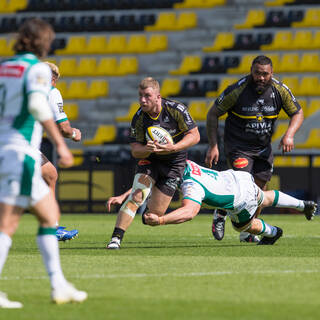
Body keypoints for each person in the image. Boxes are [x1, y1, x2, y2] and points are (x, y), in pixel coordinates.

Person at [0, 18, 87, 308]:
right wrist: (61, 144)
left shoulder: (4, 68)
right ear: (43, 43)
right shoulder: (36, 70)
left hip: (5, 150)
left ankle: (59, 285)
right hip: (19, 151)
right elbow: (38, 105)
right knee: (8, 225)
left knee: (50, 217)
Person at [205, 55, 304, 243]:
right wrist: (213, 145)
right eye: (257, 73)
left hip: (263, 148)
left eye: (265, 74)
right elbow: (213, 113)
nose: (261, 77)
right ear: (251, 71)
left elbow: (298, 112)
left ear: (271, 73)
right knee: (242, 184)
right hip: (238, 146)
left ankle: (247, 232)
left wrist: (289, 134)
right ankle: (220, 212)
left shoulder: (279, 90)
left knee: (259, 193)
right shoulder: (237, 90)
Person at [106, 77, 200, 249]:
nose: (142, 100)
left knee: (154, 216)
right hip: (150, 160)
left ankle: (148, 193)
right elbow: (135, 150)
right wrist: (147, 149)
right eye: (140, 95)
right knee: (136, 197)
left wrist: (173, 147)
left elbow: (195, 136)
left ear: (158, 96)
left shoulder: (176, 109)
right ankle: (115, 239)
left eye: (147, 96)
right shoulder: (139, 118)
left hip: (174, 164)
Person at [143, 160, 317, 245]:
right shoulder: (184, 163)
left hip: (239, 196)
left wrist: (161, 220)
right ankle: (303, 205)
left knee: (242, 227)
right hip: (237, 177)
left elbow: (189, 212)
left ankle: (273, 232)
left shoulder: (190, 186)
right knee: (265, 198)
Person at [41, 62, 81, 241]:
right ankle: (52, 227)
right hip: (19, 143)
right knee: (49, 176)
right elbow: (64, 128)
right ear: (54, 80)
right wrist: (74, 134)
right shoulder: (51, 91)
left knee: (49, 175)